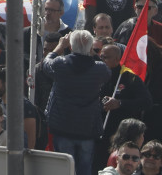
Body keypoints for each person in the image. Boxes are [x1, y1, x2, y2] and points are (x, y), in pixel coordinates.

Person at [43, 30, 111, 175]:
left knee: (65, 170)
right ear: (91, 47)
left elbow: (46, 64)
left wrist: (59, 47)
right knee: (85, 169)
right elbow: (107, 74)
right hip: (87, 128)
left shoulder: (60, 64)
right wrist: (89, 50)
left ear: (71, 47)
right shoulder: (100, 69)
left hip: (62, 127)